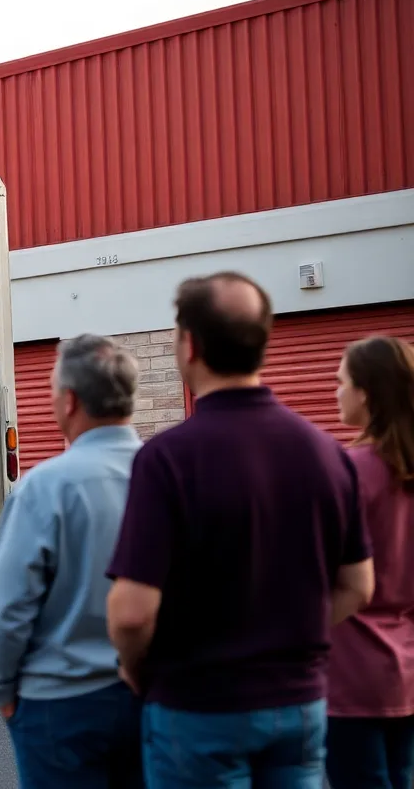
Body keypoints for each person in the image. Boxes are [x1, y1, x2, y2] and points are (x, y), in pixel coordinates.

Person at [106, 271, 375, 788]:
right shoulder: (327, 454)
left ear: (189, 346)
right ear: (264, 342)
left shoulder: (167, 459)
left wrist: (141, 670)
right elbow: (358, 585)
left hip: (196, 704)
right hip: (299, 703)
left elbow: (132, 612)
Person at [0, 333, 144, 789]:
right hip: (155, 697)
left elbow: (8, 607)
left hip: (60, 704)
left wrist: (1, 687)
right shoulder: (171, 475)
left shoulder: (44, 488)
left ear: (69, 401)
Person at [325, 336, 414, 789]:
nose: (333, 391)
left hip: (349, 675)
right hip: (406, 672)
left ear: (366, 392)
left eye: (341, 382)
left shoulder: (350, 470)